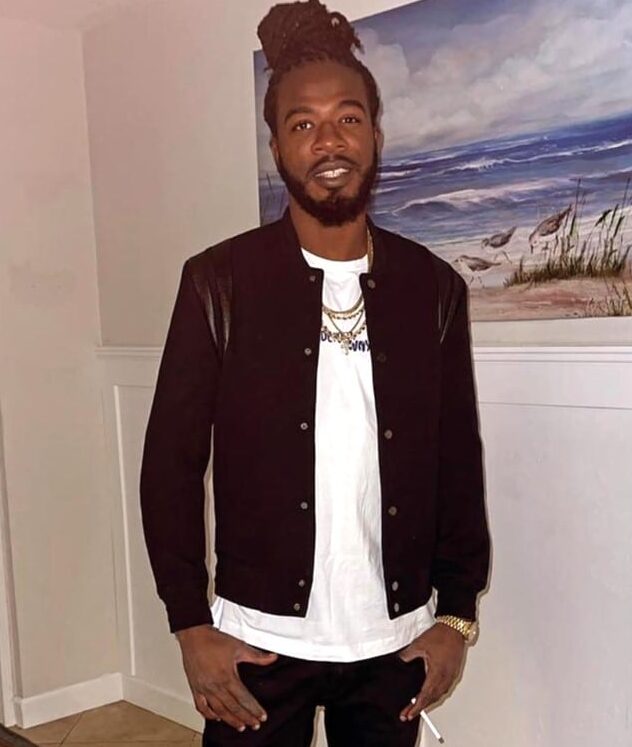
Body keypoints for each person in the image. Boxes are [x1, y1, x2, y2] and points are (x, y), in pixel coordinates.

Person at [139, 1, 490, 745]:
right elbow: (169, 466)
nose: (328, 140)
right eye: (303, 124)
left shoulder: (433, 288)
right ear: (277, 147)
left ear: (375, 135)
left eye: (347, 118)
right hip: (256, 644)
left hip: (394, 643)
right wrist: (190, 624)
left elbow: (458, 459)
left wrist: (457, 615)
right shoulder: (218, 283)